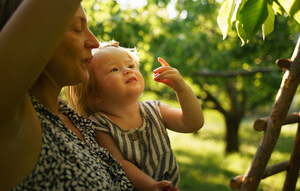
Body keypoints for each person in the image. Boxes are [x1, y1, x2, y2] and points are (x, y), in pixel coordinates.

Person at [0, 0, 141, 190]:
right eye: (77, 29)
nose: (95, 42)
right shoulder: (12, 119)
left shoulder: (73, 118)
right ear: (35, 39)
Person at [67, 41, 204, 191]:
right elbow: (118, 163)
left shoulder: (155, 110)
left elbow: (192, 123)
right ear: (94, 94)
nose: (127, 71)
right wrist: (150, 186)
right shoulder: (99, 124)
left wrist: (182, 89)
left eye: (130, 66)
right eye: (114, 69)